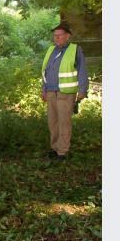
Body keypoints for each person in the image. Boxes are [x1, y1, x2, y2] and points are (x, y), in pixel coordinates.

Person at [41, 22, 89, 160]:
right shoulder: (51, 50)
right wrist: (43, 88)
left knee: (64, 122)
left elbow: (82, 71)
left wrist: (82, 90)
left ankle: (62, 151)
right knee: (53, 122)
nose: (56, 38)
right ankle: (54, 148)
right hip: (50, 91)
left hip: (66, 93)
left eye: (59, 35)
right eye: (55, 35)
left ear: (68, 36)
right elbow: (45, 71)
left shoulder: (75, 50)